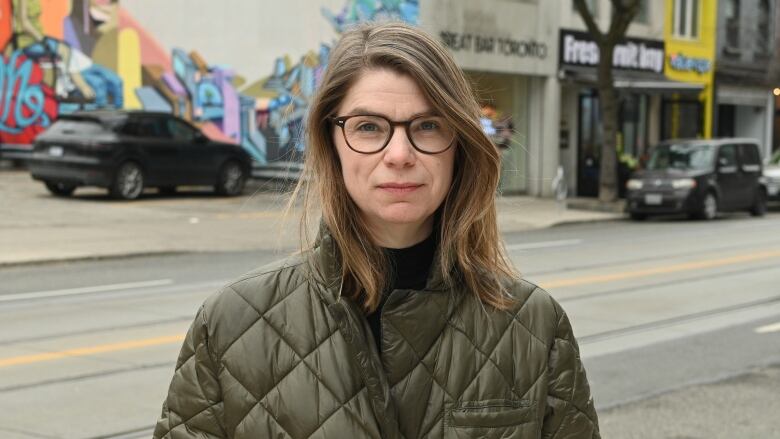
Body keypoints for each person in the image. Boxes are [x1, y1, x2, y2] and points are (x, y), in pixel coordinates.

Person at [154, 22, 599, 439]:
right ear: (331, 142)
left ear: (459, 145)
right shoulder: (231, 323)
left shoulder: (535, 324)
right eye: (369, 127)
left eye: (427, 126)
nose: (400, 153)